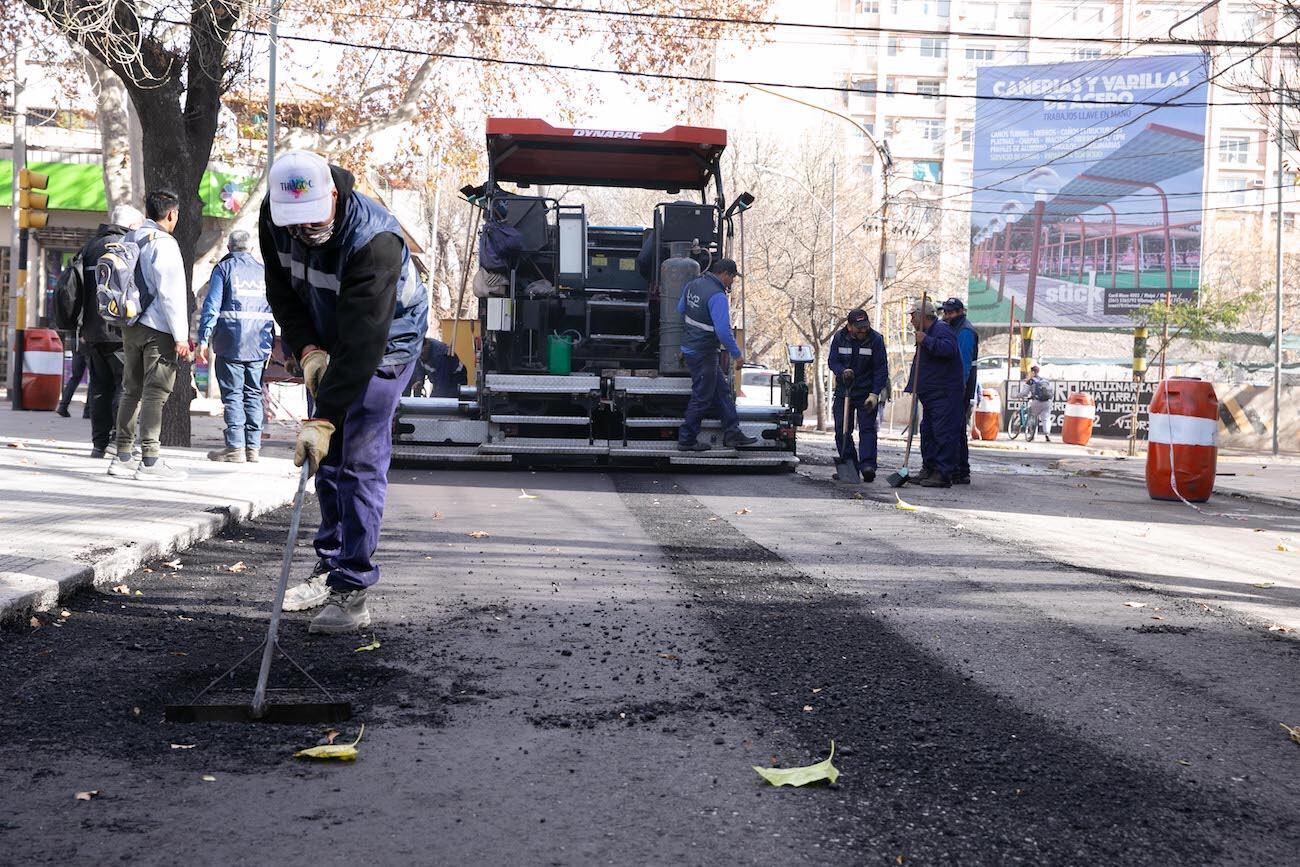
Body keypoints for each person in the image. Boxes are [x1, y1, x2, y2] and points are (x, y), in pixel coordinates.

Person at [260, 149, 428, 634]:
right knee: (325, 461)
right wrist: (308, 349)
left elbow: (363, 344)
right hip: (328, 336)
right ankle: (330, 567)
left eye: (312, 221)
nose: (303, 234)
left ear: (334, 194)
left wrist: (324, 416)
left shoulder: (376, 241)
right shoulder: (276, 218)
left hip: (385, 342)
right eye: (293, 225)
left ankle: (352, 589)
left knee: (355, 459)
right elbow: (281, 290)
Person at [107, 191, 190, 481]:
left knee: (131, 390)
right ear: (171, 214)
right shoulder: (165, 244)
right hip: (158, 328)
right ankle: (151, 460)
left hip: (130, 325)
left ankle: (123, 455)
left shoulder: (130, 238)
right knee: (156, 392)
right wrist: (181, 336)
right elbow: (172, 293)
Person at [60, 205, 144, 455]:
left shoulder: (89, 248)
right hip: (120, 331)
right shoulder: (126, 247)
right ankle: (120, 440)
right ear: (130, 226)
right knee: (124, 386)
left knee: (99, 387)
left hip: (91, 333)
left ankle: (98, 445)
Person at [196, 230, 274, 463]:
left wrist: (203, 337)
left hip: (230, 341)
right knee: (253, 394)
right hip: (259, 343)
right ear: (250, 249)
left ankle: (235, 448)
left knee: (232, 395)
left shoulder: (224, 268)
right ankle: (253, 448)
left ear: (229, 248)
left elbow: (211, 306)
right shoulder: (264, 272)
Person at [675, 258, 757, 452]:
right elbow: (723, 331)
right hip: (704, 352)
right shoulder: (718, 296)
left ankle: (732, 433)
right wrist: (737, 355)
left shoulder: (693, 284)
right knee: (702, 397)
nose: (732, 283)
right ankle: (686, 439)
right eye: (733, 278)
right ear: (726, 274)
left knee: (722, 392)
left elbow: (680, 309)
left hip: (691, 349)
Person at [907, 298, 965, 488]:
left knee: (942, 433)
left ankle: (942, 473)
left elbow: (949, 350)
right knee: (928, 432)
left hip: (943, 393)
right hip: (931, 393)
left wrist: (927, 341)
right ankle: (929, 468)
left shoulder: (941, 330)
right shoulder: (927, 332)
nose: (911, 321)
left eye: (912, 317)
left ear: (920, 315)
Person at [828, 308, 889, 482]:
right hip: (844, 391)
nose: (863, 331)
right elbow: (833, 361)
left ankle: (867, 466)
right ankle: (849, 464)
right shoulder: (840, 338)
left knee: (867, 429)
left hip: (866, 392)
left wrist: (875, 393)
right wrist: (842, 371)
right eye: (859, 327)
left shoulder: (875, 340)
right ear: (849, 326)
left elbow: (881, 368)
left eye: (865, 326)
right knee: (842, 429)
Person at [939, 296, 980, 484]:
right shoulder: (955, 328)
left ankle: (959, 469)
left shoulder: (964, 331)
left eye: (951, 312)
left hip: (958, 387)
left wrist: (958, 388)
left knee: (954, 429)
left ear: (960, 312)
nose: (947, 315)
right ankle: (960, 469)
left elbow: (962, 363)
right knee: (956, 428)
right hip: (955, 385)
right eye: (946, 312)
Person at [403, 337, 467, 399]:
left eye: (422, 353)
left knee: (440, 402)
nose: (420, 356)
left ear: (427, 345)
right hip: (439, 380)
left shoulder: (441, 355)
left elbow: (442, 387)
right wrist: (419, 381)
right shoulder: (418, 352)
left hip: (454, 381)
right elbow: (420, 368)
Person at [55, 340, 89, 418]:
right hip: (88, 341)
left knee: (75, 377)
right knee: (95, 378)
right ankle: (88, 411)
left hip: (76, 341)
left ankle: (63, 406)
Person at [1020, 364, 1054, 442]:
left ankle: (1032, 434)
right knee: (1046, 418)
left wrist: (1017, 395)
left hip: (1036, 401)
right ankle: (1047, 434)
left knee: (1032, 415)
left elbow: (1024, 393)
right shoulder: (1046, 380)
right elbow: (1051, 391)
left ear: (1032, 372)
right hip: (1047, 402)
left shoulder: (1031, 381)